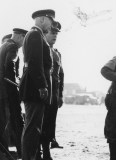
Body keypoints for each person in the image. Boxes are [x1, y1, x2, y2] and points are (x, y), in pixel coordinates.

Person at [19, 9, 55, 160]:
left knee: (33, 127)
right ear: (42, 19)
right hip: (35, 89)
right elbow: (35, 63)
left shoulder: (36, 34)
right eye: (50, 21)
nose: (51, 25)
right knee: (32, 128)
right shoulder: (35, 34)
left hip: (34, 88)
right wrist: (42, 86)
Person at [0, 28, 27, 159]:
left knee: (3, 122)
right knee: (18, 122)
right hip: (8, 91)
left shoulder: (3, 45)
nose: (23, 45)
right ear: (21, 37)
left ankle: (4, 152)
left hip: (2, 91)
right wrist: (17, 85)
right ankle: (22, 153)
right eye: (24, 40)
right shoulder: (13, 47)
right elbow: (10, 67)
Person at [40, 21, 64, 160]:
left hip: (54, 92)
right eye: (52, 33)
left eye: (56, 34)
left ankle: (47, 151)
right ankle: (39, 152)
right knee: (41, 121)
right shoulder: (41, 49)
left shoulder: (57, 53)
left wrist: (60, 94)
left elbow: (61, 74)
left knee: (50, 122)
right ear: (45, 33)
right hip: (43, 91)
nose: (55, 35)